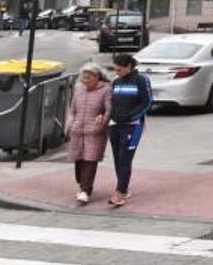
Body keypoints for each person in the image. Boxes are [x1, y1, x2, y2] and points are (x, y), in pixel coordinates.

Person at [107, 53, 152, 207]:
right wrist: (112, 115)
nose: (116, 73)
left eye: (119, 70)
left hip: (133, 126)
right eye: (115, 70)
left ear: (129, 66)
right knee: (118, 158)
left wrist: (130, 116)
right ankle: (123, 188)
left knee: (126, 157)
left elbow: (147, 102)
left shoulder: (141, 81)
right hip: (115, 125)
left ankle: (120, 192)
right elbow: (111, 102)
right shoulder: (116, 82)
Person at [64, 64, 111, 204]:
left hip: (95, 132)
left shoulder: (106, 90)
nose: (85, 80)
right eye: (83, 77)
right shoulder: (78, 89)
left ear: (97, 77)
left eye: (88, 78)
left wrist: (101, 122)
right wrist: (70, 123)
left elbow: (108, 110)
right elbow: (72, 109)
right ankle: (82, 184)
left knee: (90, 160)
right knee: (78, 160)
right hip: (77, 131)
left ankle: (85, 190)